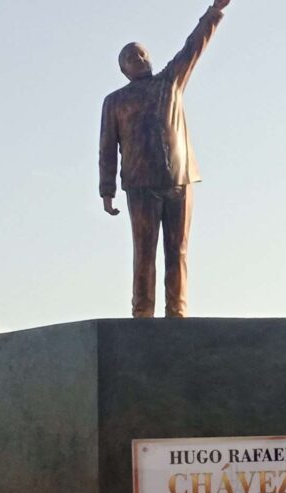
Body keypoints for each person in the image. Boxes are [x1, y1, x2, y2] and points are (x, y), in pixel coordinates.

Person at [99, 0, 233, 318]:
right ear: (124, 70)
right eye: (131, 57)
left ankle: (177, 311)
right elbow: (107, 148)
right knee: (144, 252)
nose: (139, 59)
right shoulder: (115, 101)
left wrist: (214, 11)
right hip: (141, 184)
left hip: (179, 180)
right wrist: (107, 189)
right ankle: (142, 312)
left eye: (142, 54)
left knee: (178, 250)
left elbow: (193, 46)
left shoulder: (170, 81)